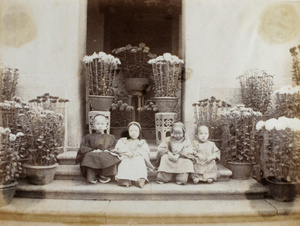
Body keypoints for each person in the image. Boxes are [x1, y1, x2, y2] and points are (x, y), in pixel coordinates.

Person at [75, 114, 120, 184]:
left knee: (111, 156)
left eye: (102, 123)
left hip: (106, 153)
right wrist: (92, 150)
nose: (100, 126)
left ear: (106, 126)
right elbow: (83, 147)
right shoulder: (88, 137)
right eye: (97, 123)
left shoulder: (111, 137)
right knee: (88, 156)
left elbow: (115, 147)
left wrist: (108, 150)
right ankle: (92, 176)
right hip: (93, 153)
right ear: (93, 126)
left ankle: (104, 175)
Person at [112, 121, 154, 188]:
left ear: (139, 132)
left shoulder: (142, 142)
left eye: (136, 131)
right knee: (125, 161)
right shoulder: (123, 140)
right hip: (126, 156)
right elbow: (118, 149)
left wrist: (135, 153)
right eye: (131, 131)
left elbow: (145, 151)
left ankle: (140, 179)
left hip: (137, 156)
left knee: (139, 160)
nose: (133, 133)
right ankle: (125, 179)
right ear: (128, 131)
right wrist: (126, 153)